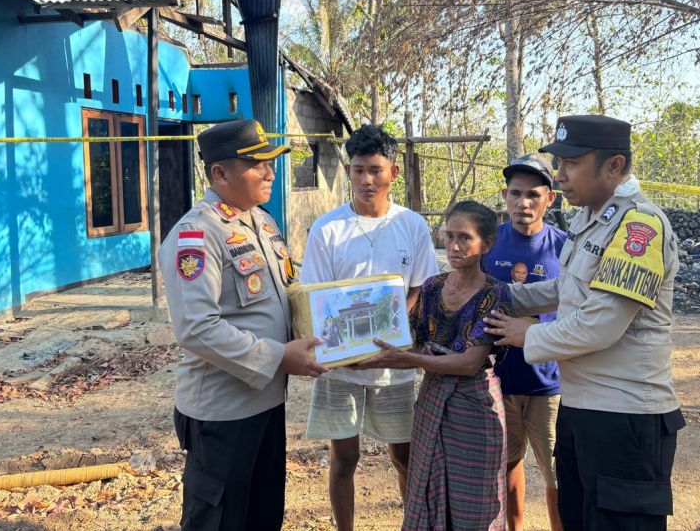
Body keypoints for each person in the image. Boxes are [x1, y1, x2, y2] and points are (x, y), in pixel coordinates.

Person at [485, 114, 686, 531]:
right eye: (560, 164)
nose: (560, 175)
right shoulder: (590, 220)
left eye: (571, 164)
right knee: (578, 520)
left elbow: (601, 324)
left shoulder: (639, 227)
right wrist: (496, 297)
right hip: (583, 409)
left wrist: (528, 335)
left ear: (613, 165)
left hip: (625, 416)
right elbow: (564, 292)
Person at [159, 119, 329, 531]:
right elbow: (197, 328)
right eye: (258, 165)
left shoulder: (263, 222)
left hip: (267, 400)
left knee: (262, 513)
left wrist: (334, 335)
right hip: (223, 412)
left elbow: (286, 294)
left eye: (270, 164)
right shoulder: (196, 235)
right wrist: (278, 356)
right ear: (220, 173)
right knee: (218, 520)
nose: (270, 173)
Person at [300, 124, 438, 531]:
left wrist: (393, 338)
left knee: (405, 456)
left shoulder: (412, 226)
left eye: (375, 170)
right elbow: (318, 298)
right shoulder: (328, 228)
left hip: (395, 364)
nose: (366, 180)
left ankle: (413, 524)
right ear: (347, 171)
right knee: (344, 458)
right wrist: (349, 352)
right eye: (358, 170)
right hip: (341, 367)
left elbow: (421, 288)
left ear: (393, 173)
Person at [356, 200, 510, 530]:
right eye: (449, 235)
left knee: (476, 505)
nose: (454, 246)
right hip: (432, 401)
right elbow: (410, 341)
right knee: (428, 491)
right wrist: (359, 355)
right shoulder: (432, 287)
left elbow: (470, 363)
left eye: (465, 238)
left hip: (475, 407)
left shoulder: (494, 294)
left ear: (487, 243)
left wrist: (405, 359)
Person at [483, 153, 566, 531]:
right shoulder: (487, 245)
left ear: (550, 199)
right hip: (498, 381)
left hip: (547, 382)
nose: (523, 203)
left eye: (533, 194)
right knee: (507, 465)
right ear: (505, 195)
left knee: (559, 475)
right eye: (515, 194)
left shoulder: (566, 248)